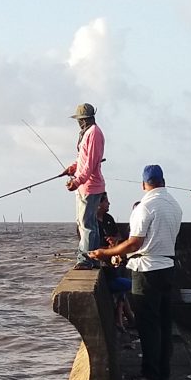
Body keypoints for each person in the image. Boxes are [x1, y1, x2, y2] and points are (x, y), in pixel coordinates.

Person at [88, 165, 183, 380]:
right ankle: (163, 371)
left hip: (148, 270)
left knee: (148, 324)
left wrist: (106, 252)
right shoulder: (175, 206)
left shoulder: (145, 207)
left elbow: (134, 243)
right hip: (168, 267)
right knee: (164, 323)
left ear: (143, 184)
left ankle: (149, 373)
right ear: (163, 181)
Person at [63, 103, 106, 269]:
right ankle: (92, 257)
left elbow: (90, 163)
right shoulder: (87, 133)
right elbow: (82, 160)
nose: (78, 123)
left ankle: (85, 260)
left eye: (79, 120)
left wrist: (77, 181)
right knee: (89, 223)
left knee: (86, 224)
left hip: (90, 186)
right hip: (85, 186)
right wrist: (72, 169)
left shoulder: (93, 133)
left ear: (84, 120)